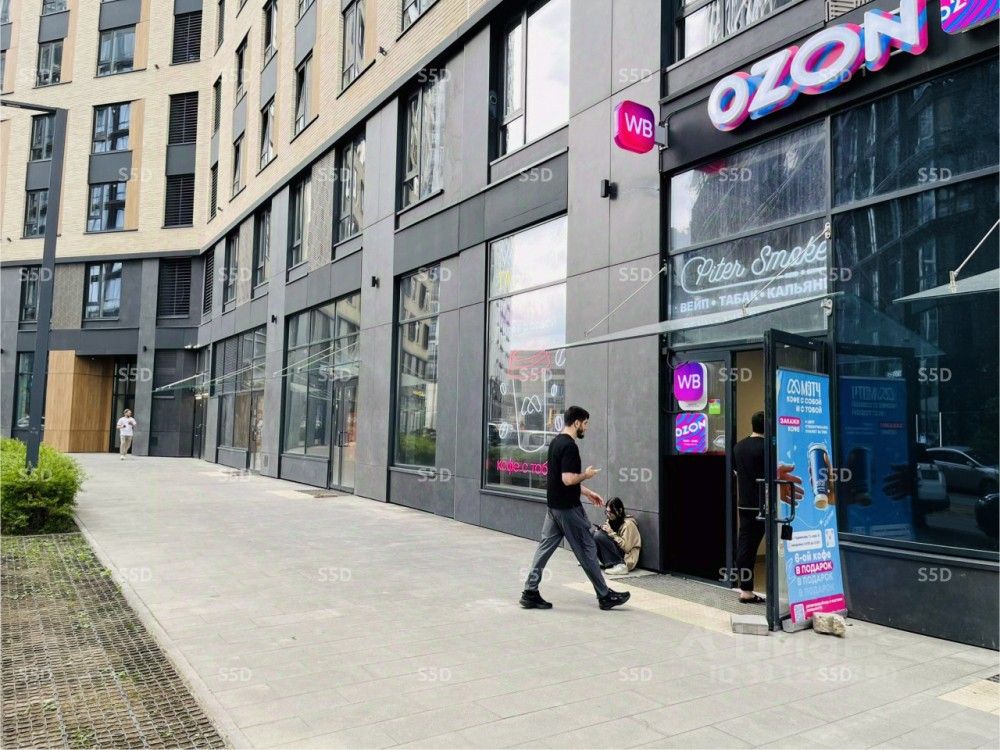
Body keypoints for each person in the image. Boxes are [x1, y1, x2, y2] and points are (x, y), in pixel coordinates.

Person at [519, 406, 631, 611]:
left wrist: (587, 492)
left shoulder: (556, 442)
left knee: (544, 549)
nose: (586, 428)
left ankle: (529, 592)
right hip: (568, 510)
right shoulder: (570, 447)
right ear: (577, 422)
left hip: (554, 508)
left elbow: (559, 480)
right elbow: (568, 479)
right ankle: (605, 595)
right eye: (585, 423)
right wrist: (586, 475)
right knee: (588, 548)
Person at [732, 411, 802, 603]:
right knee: (776, 545)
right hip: (766, 505)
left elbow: (736, 472)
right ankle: (785, 590)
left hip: (745, 505)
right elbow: (774, 475)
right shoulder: (768, 448)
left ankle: (746, 590)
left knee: (745, 547)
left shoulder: (739, 447)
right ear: (769, 427)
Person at [590, 498, 641, 576]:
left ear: (620, 510)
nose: (608, 514)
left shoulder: (628, 524)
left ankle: (620, 566)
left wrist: (611, 533)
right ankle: (594, 559)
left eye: (611, 512)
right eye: (607, 512)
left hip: (626, 559)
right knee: (594, 533)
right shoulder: (611, 520)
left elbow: (626, 548)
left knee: (598, 535)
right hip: (618, 553)